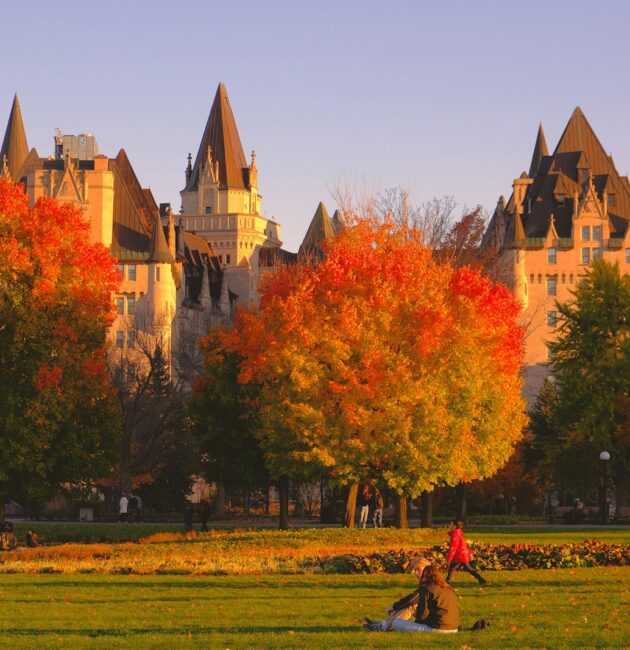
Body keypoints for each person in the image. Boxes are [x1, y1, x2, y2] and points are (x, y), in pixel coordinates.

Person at [365, 564, 459, 633]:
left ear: (424, 576)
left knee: (396, 622)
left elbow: (421, 614)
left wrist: (393, 607)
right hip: (454, 629)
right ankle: (382, 625)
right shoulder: (446, 588)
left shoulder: (427, 588)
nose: (416, 573)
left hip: (438, 629)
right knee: (411, 606)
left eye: (418, 570)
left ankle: (383, 626)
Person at [445, 520, 486, 585]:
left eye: (451, 524)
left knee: (467, 568)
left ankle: (481, 579)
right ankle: (447, 581)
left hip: (460, 555)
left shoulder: (455, 535)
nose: (449, 526)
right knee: (454, 567)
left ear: (455, 526)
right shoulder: (457, 533)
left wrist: (449, 559)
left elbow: (453, 548)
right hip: (462, 554)